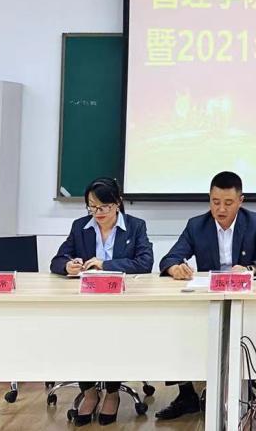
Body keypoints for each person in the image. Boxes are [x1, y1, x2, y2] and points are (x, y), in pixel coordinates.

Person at [156, 171, 256, 421]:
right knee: (178, 324)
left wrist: (249, 269)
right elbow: (169, 258)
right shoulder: (197, 225)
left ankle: (246, 386)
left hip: (243, 298)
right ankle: (186, 394)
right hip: (208, 297)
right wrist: (174, 268)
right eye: (215, 202)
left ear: (240, 201)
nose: (221, 209)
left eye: (228, 203)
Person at [50, 177, 153, 426]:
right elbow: (57, 260)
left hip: (121, 302)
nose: (97, 213)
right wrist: (68, 265)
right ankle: (89, 392)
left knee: (115, 337)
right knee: (80, 337)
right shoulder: (80, 227)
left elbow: (145, 262)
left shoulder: (135, 226)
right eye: (92, 207)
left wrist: (105, 264)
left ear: (117, 203)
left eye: (103, 207)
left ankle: (113, 392)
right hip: (86, 302)